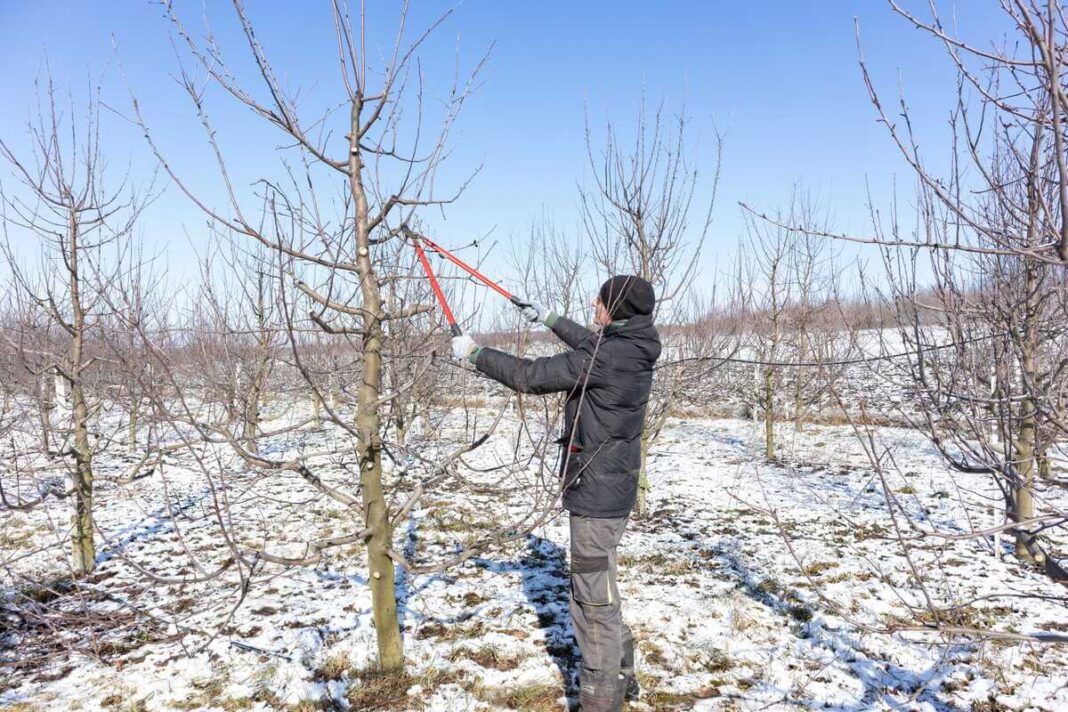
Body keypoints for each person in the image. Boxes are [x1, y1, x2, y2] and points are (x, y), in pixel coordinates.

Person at [452, 275, 661, 712]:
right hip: (615, 490)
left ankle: (601, 700)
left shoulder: (605, 356)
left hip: (595, 496)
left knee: (590, 601)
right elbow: (595, 344)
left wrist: (476, 354)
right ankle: (622, 674)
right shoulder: (638, 343)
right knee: (600, 583)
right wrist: (550, 319)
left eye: (600, 301)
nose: (593, 304)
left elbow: (530, 376)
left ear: (615, 309)